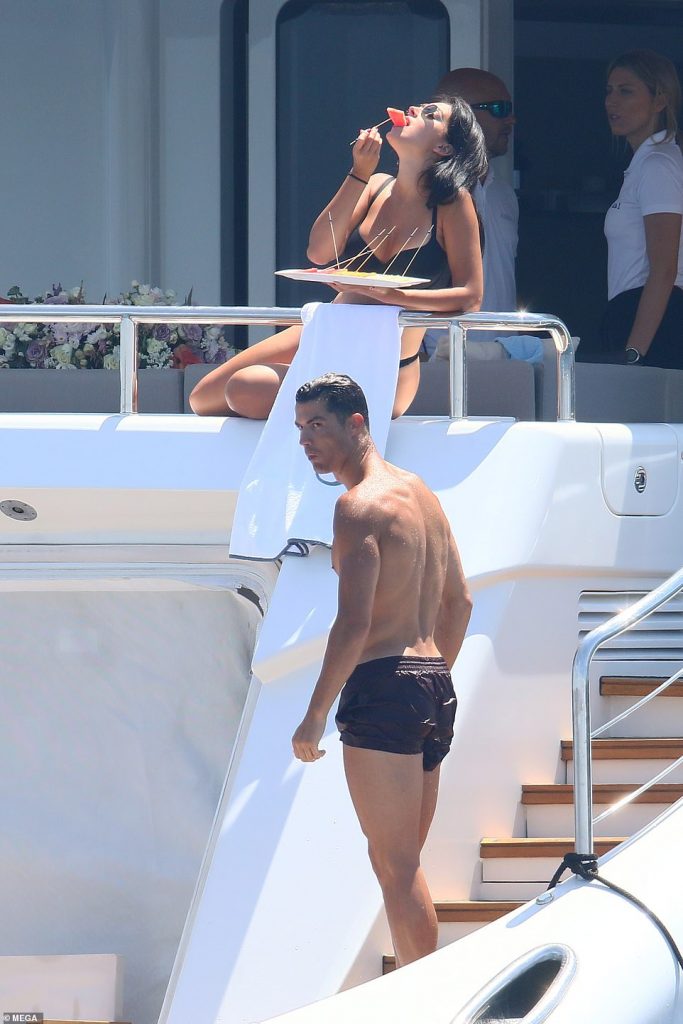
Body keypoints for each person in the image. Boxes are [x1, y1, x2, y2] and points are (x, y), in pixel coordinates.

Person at [291, 373, 472, 967]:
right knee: (400, 863)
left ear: (357, 424)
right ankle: (417, 986)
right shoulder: (422, 496)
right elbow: (460, 604)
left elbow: (354, 623)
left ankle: (425, 996)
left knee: (396, 866)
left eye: (318, 425)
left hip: (385, 685)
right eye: (300, 428)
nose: (306, 440)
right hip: (433, 684)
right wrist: (428, 678)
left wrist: (314, 716)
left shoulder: (357, 506)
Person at [189, 98, 486, 419]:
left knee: (247, 388)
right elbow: (319, 253)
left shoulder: (453, 203)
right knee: (202, 398)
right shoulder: (375, 185)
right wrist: (359, 173)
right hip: (328, 330)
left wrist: (392, 296)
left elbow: (471, 296)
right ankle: (313, 416)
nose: (414, 110)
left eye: (431, 114)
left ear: (443, 147)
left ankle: (313, 424)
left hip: (385, 361)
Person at [598, 50, 683, 369]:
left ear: (660, 99)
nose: (612, 102)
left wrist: (634, 352)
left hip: (655, 323)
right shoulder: (647, 163)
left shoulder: (658, 164)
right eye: (609, 91)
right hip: (635, 314)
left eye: (626, 91)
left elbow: (664, 269)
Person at [430, 67, 519, 360]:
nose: (510, 119)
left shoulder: (504, 195)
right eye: (499, 109)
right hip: (438, 359)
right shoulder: (425, 191)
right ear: (462, 115)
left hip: (500, 357)